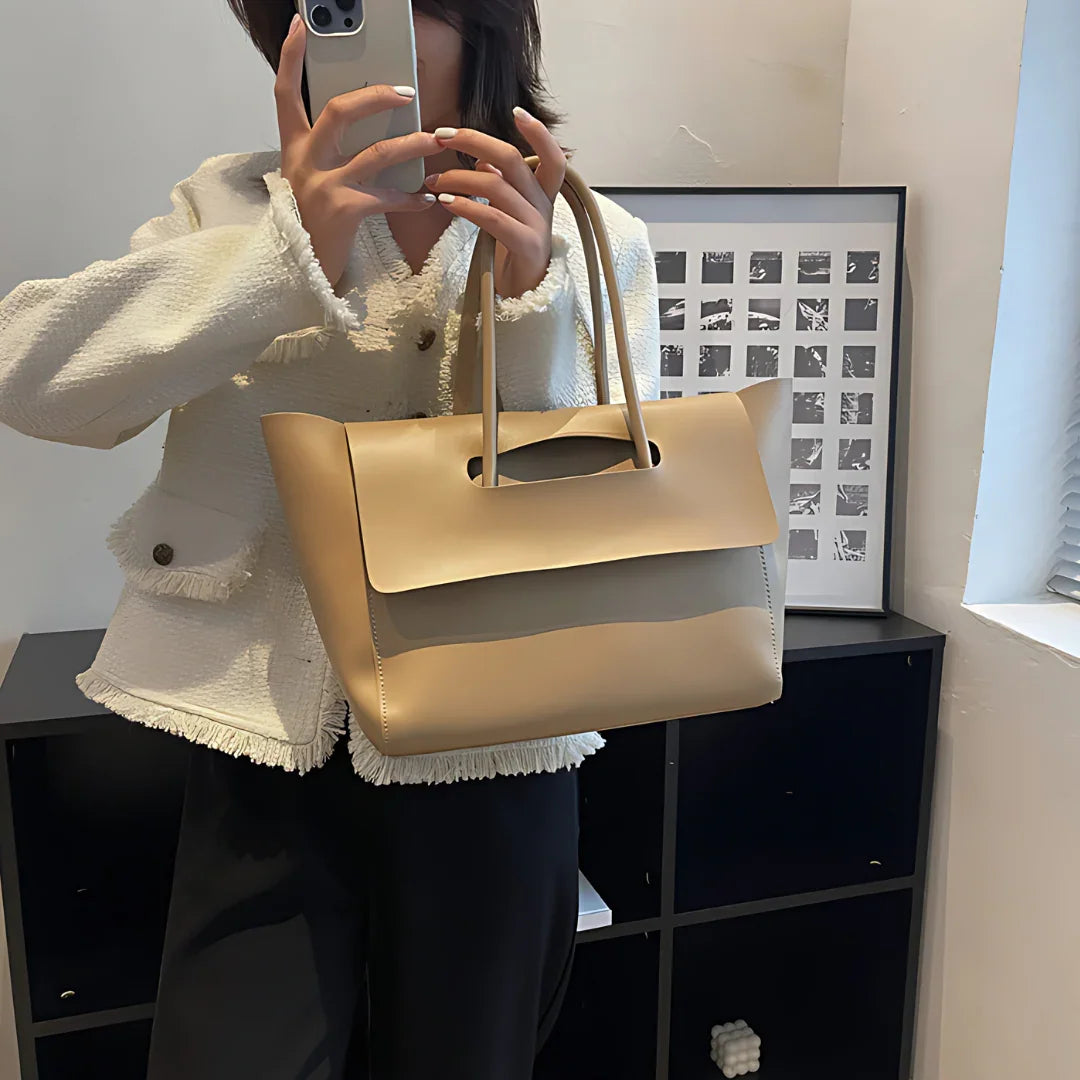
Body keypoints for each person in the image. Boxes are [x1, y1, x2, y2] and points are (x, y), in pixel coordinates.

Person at [0, 2, 660, 1076]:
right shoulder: (227, 206)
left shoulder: (599, 238)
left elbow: (601, 501)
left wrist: (533, 300)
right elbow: (32, 381)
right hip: (262, 733)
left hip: (497, 737)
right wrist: (277, 256)